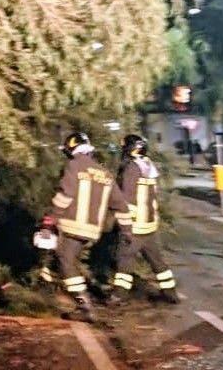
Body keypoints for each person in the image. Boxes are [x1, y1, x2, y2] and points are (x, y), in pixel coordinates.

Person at [49, 131, 132, 322]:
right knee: (68, 259)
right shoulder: (104, 173)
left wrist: (51, 219)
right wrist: (127, 230)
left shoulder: (74, 165)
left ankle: (84, 305)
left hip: (72, 224)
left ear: (71, 149)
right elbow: (120, 205)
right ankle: (81, 301)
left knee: (65, 260)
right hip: (92, 229)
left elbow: (65, 195)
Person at [109, 134, 179, 304]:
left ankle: (119, 295)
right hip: (149, 224)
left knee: (125, 259)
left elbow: (127, 199)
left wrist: (124, 223)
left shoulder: (132, 169)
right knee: (157, 260)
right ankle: (170, 293)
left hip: (135, 226)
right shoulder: (148, 166)